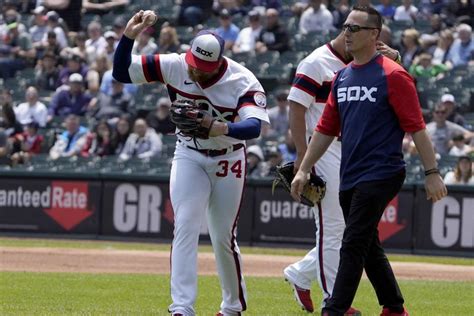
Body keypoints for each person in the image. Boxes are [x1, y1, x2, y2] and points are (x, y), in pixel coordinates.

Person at [291, 6, 447, 316]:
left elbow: (416, 127)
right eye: (345, 26)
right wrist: (305, 167)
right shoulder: (342, 77)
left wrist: (432, 173)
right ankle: (394, 307)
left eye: (355, 28)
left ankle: (334, 309)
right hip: (350, 172)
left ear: (374, 35)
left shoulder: (394, 74)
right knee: (369, 244)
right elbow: (324, 129)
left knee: (352, 242)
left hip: (382, 171)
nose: (346, 33)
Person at [112, 10, 269, 316]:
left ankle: (232, 307)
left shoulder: (242, 79)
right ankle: (182, 308)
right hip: (189, 153)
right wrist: (129, 36)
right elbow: (121, 72)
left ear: (220, 62)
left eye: (204, 69)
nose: (197, 73)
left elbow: (254, 128)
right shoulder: (176, 64)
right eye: (195, 66)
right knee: (184, 225)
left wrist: (220, 127)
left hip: (229, 157)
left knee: (223, 236)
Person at [284, 27, 401, 315]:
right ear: (350, 33)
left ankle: (301, 272)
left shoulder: (362, 62)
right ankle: (332, 300)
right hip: (321, 148)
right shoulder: (315, 62)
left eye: (379, 42)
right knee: (334, 227)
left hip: (350, 150)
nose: (378, 46)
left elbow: (393, 84)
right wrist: (302, 155)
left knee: (351, 228)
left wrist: (395, 57)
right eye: (376, 41)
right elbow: (296, 107)